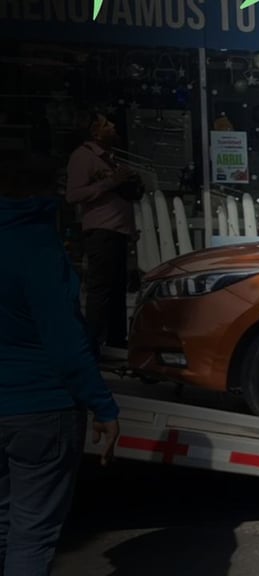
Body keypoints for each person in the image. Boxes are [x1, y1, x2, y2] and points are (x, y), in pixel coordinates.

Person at [1, 149, 120, 574]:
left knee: (2, 529)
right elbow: (66, 343)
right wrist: (103, 406)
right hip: (40, 409)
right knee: (31, 538)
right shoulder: (37, 247)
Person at [65, 112, 142, 358]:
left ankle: (116, 341)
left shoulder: (109, 159)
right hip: (102, 232)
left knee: (118, 289)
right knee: (101, 290)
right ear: (94, 131)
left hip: (118, 231)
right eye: (107, 124)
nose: (113, 126)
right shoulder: (83, 157)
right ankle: (93, 344)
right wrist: (110, 183)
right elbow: (73, 195)